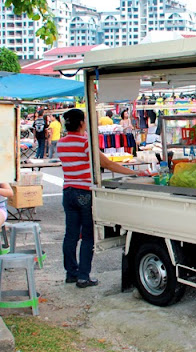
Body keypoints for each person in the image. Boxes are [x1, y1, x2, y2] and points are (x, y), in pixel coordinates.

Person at [58, 108, 149, 288]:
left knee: (71, 235)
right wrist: (134, 173)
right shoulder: (85, 143)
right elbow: (106, 163)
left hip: (67, 191)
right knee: (88, 236)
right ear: (82, 123)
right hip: (84, 191)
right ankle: (84, 276)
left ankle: (71, 273)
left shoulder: (61, 143)